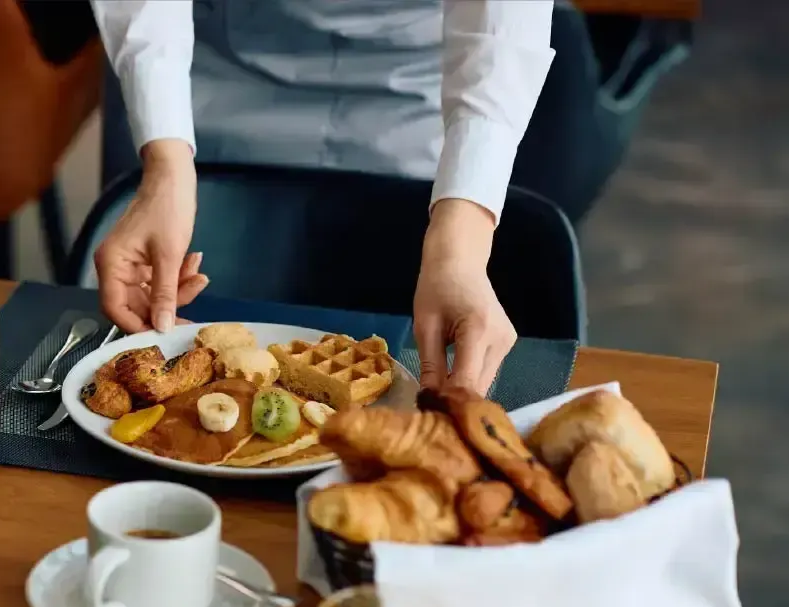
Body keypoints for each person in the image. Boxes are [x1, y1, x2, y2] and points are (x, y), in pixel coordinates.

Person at [89, 0, 556, 396]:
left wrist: (461, 247)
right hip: (211, 68)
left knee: (401, 341)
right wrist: (166, 162)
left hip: (421, 84)